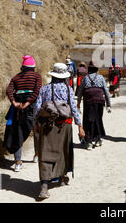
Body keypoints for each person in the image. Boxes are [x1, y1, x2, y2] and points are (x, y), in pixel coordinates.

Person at [33, 63, 84, 200]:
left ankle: (44, 186)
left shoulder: (44, 89)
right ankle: (61, 176)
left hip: (46, 125)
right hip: (64, 125)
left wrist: (36, 124)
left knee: (45, 152)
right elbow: (74, 109)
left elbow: (37, 108)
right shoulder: (68, 89)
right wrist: (80, 126)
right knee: (63, 151)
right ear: (64, 77)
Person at [4, 55, 42, 172]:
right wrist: (28, 102)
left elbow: (9, 90)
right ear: (33, 67)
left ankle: (18, 162)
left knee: (18, 133)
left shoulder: (16, 77)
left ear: (23, 67)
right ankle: (36, 155)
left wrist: (14, 102)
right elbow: (37, 91)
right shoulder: (37, 76)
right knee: (36, 130)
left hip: (18, 108)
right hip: (32, 107)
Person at [77, 61, 111, 150]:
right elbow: (106, 91)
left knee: (88, 121)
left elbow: (80, 92)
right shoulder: (101, 77)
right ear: (96, 69)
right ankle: (97, 139)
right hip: (100, 102)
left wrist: (78, 104)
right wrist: (108, 104)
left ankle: (88, 142)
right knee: (98, 120)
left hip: (88, 102)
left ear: (89, 69)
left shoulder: (85, 78)